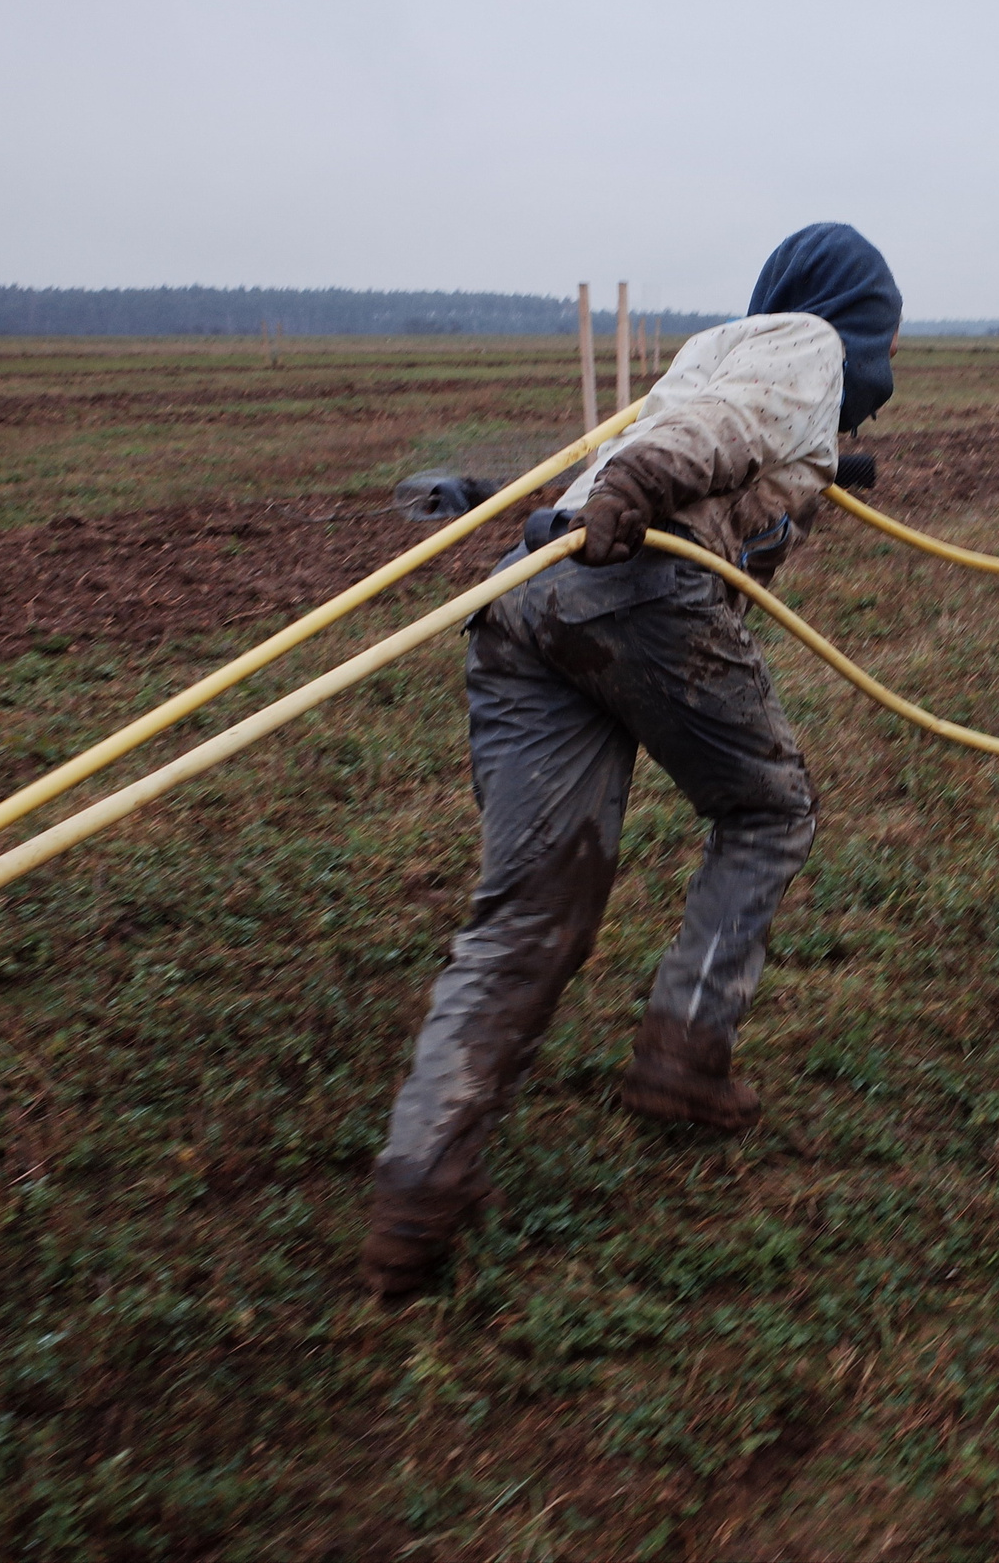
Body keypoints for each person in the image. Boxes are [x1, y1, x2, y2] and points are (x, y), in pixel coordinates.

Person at [360, 224, 902, 1302]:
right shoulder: (808, 343)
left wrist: (819, 466)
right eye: (886, 341)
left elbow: (696, 433)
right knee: (769, 810)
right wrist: (653, 481)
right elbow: (713, 433)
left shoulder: (717, 347)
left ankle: (418, 1185)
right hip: (639, 583)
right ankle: (684, 1053)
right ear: (858, 320)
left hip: (528, 596)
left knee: (529, 909)